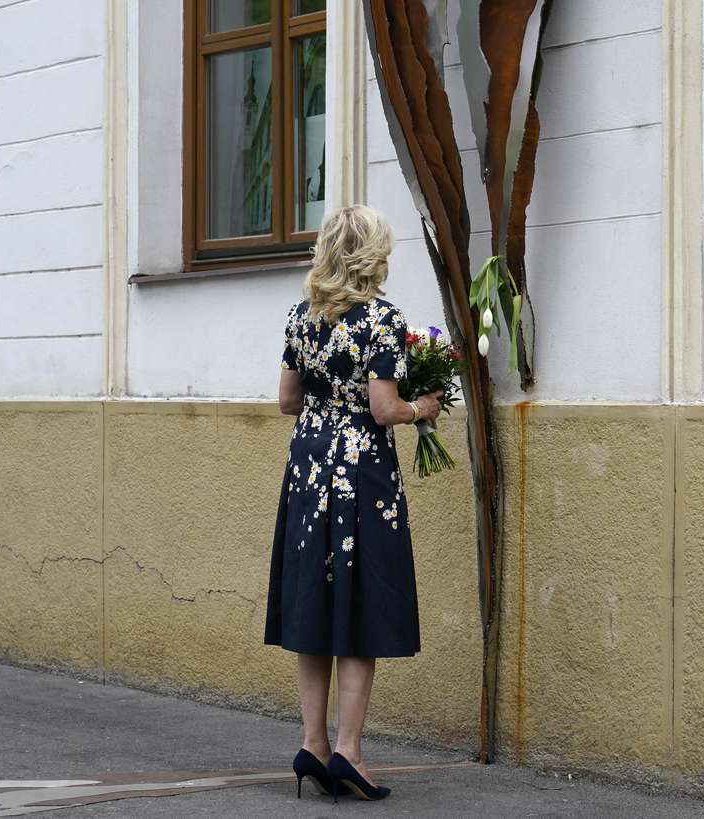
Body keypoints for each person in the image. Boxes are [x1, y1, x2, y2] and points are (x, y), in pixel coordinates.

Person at [264, 204, 443, 802]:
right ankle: (350, 752)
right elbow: (384, 408)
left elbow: (287, 401)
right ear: (373, 253)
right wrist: (426, 407)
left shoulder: (301, 316)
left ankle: (312, 744)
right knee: (360, 607)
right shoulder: (381, 320)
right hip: (361, 473)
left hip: (308, 467)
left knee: (314, 602)